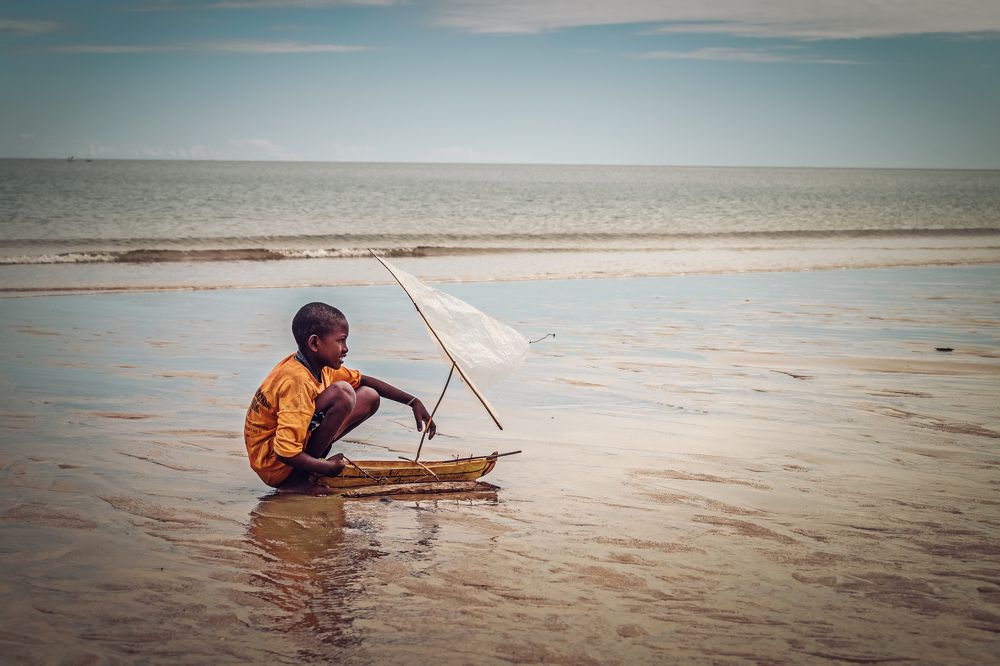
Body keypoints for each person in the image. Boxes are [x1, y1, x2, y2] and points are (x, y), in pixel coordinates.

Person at [244, 302, 436, 492]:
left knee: (370, 396)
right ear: (314, 343)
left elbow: (365, 381)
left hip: (286, 451)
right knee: (343, 393)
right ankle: (296, 482)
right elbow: (284, 451)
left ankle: (307, 468)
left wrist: (413, 402)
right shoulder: (296, 380)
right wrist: (326, 468)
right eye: (341, 341)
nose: (345, 348)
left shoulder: (320, 367)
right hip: (272, 463)